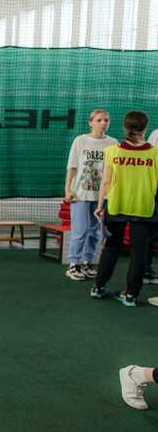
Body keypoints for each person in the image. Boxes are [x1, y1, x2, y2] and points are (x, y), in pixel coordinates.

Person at [91, 111, 158, 307]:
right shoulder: (155, 153)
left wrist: (100, 205)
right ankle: (130, 295)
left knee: (111, 247)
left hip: (116, 206)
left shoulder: (112, 151)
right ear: (145, 128)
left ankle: (98, 287)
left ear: (125, 128)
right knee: (139, 253)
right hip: (144, 208)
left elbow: (106, 181)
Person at [63, 110, 117, 281]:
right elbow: (72, 167)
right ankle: (73, 264)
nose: (103, 123)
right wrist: (68, 189)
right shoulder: (80, 141)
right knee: (80, 230)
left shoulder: (113, 143)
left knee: (95, 232)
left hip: (101, 196)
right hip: (81, 194)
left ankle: (87, 262)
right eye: (99, 120)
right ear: (90, 122)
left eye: (106, 120)